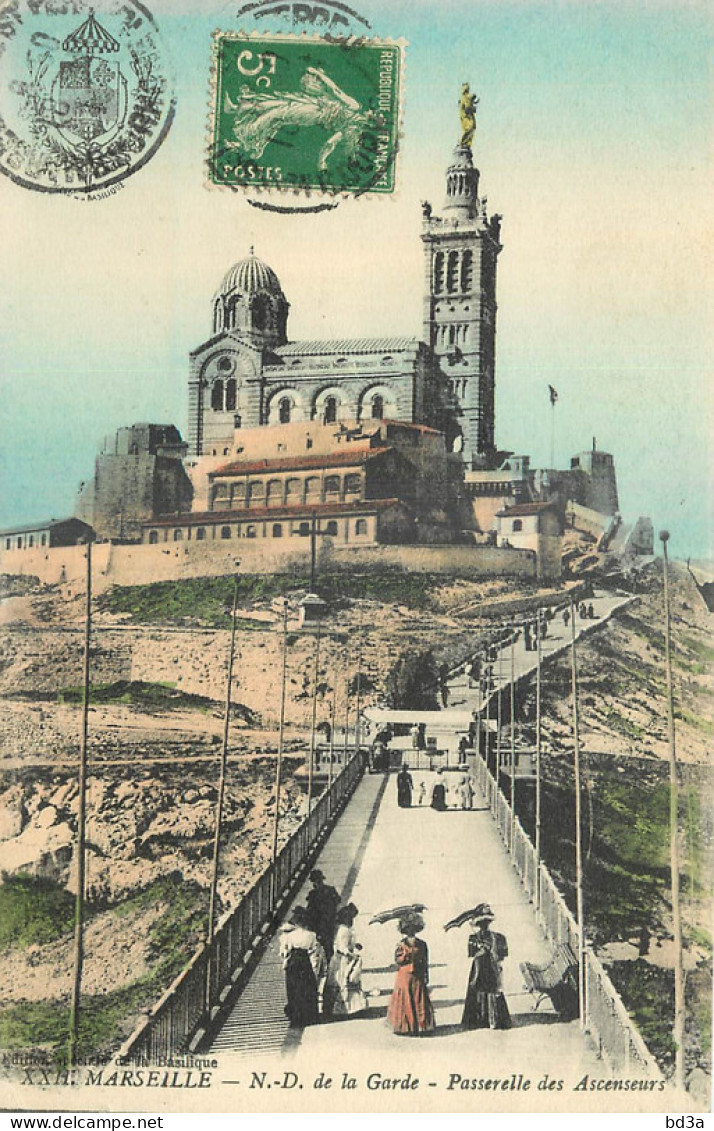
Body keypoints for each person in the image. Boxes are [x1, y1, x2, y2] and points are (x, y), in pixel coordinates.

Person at [461, 904, 511, 1030]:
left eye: (486, 922)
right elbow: (472, 953)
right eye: (482, 923)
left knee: (489, 989)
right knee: (481, 988)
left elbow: (503, 954)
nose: (484, 925)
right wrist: (481, 949)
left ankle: (488, 1019)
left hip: (489, 965)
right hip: (481, 966)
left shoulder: (497, 937)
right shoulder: (475, 938)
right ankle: (484, 1019)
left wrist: (489, 951)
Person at [387, 912, 436, 1035]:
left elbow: (425, 960)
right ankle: (406, 1027)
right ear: (404, 929)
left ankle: (421, 1026)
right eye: (408, 928)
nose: (411, 931)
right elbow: (398, 961)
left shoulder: (422, 944)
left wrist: (426, 975)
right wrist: (405, 953)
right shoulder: (401, 944)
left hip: (418, 974)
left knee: (419, 998)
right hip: (405, 975)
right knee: (405, 998)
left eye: (413, 928)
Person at [279, 905, 326, 1028]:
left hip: (293, 963)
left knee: (293, 990)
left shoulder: (290, 935)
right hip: (305, 962)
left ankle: (296, 1018)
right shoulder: (312, 935)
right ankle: (309, 1016)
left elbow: (285, 952)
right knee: (307, 989)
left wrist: (285, 962)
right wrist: (315, 970)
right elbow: (314, 954)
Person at [324, 903, 366, 1019]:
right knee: (345, 980)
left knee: (345, 981)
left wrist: (355, 945)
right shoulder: (344, 930)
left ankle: (343, 1008)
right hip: (342, 960)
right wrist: (352, 954)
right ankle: (344, 1009)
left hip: (342, 958)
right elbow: (342, 947)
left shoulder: (344, 929)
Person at [306, 869, 340, 960]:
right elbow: (338, 901)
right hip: (329, 922)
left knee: (319, 947)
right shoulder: (331, 890)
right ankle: (330, 965)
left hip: (318, 924)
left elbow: (309, 910)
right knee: (329, 945)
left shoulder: (313, 894)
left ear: (314, 882)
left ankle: (323, 968)